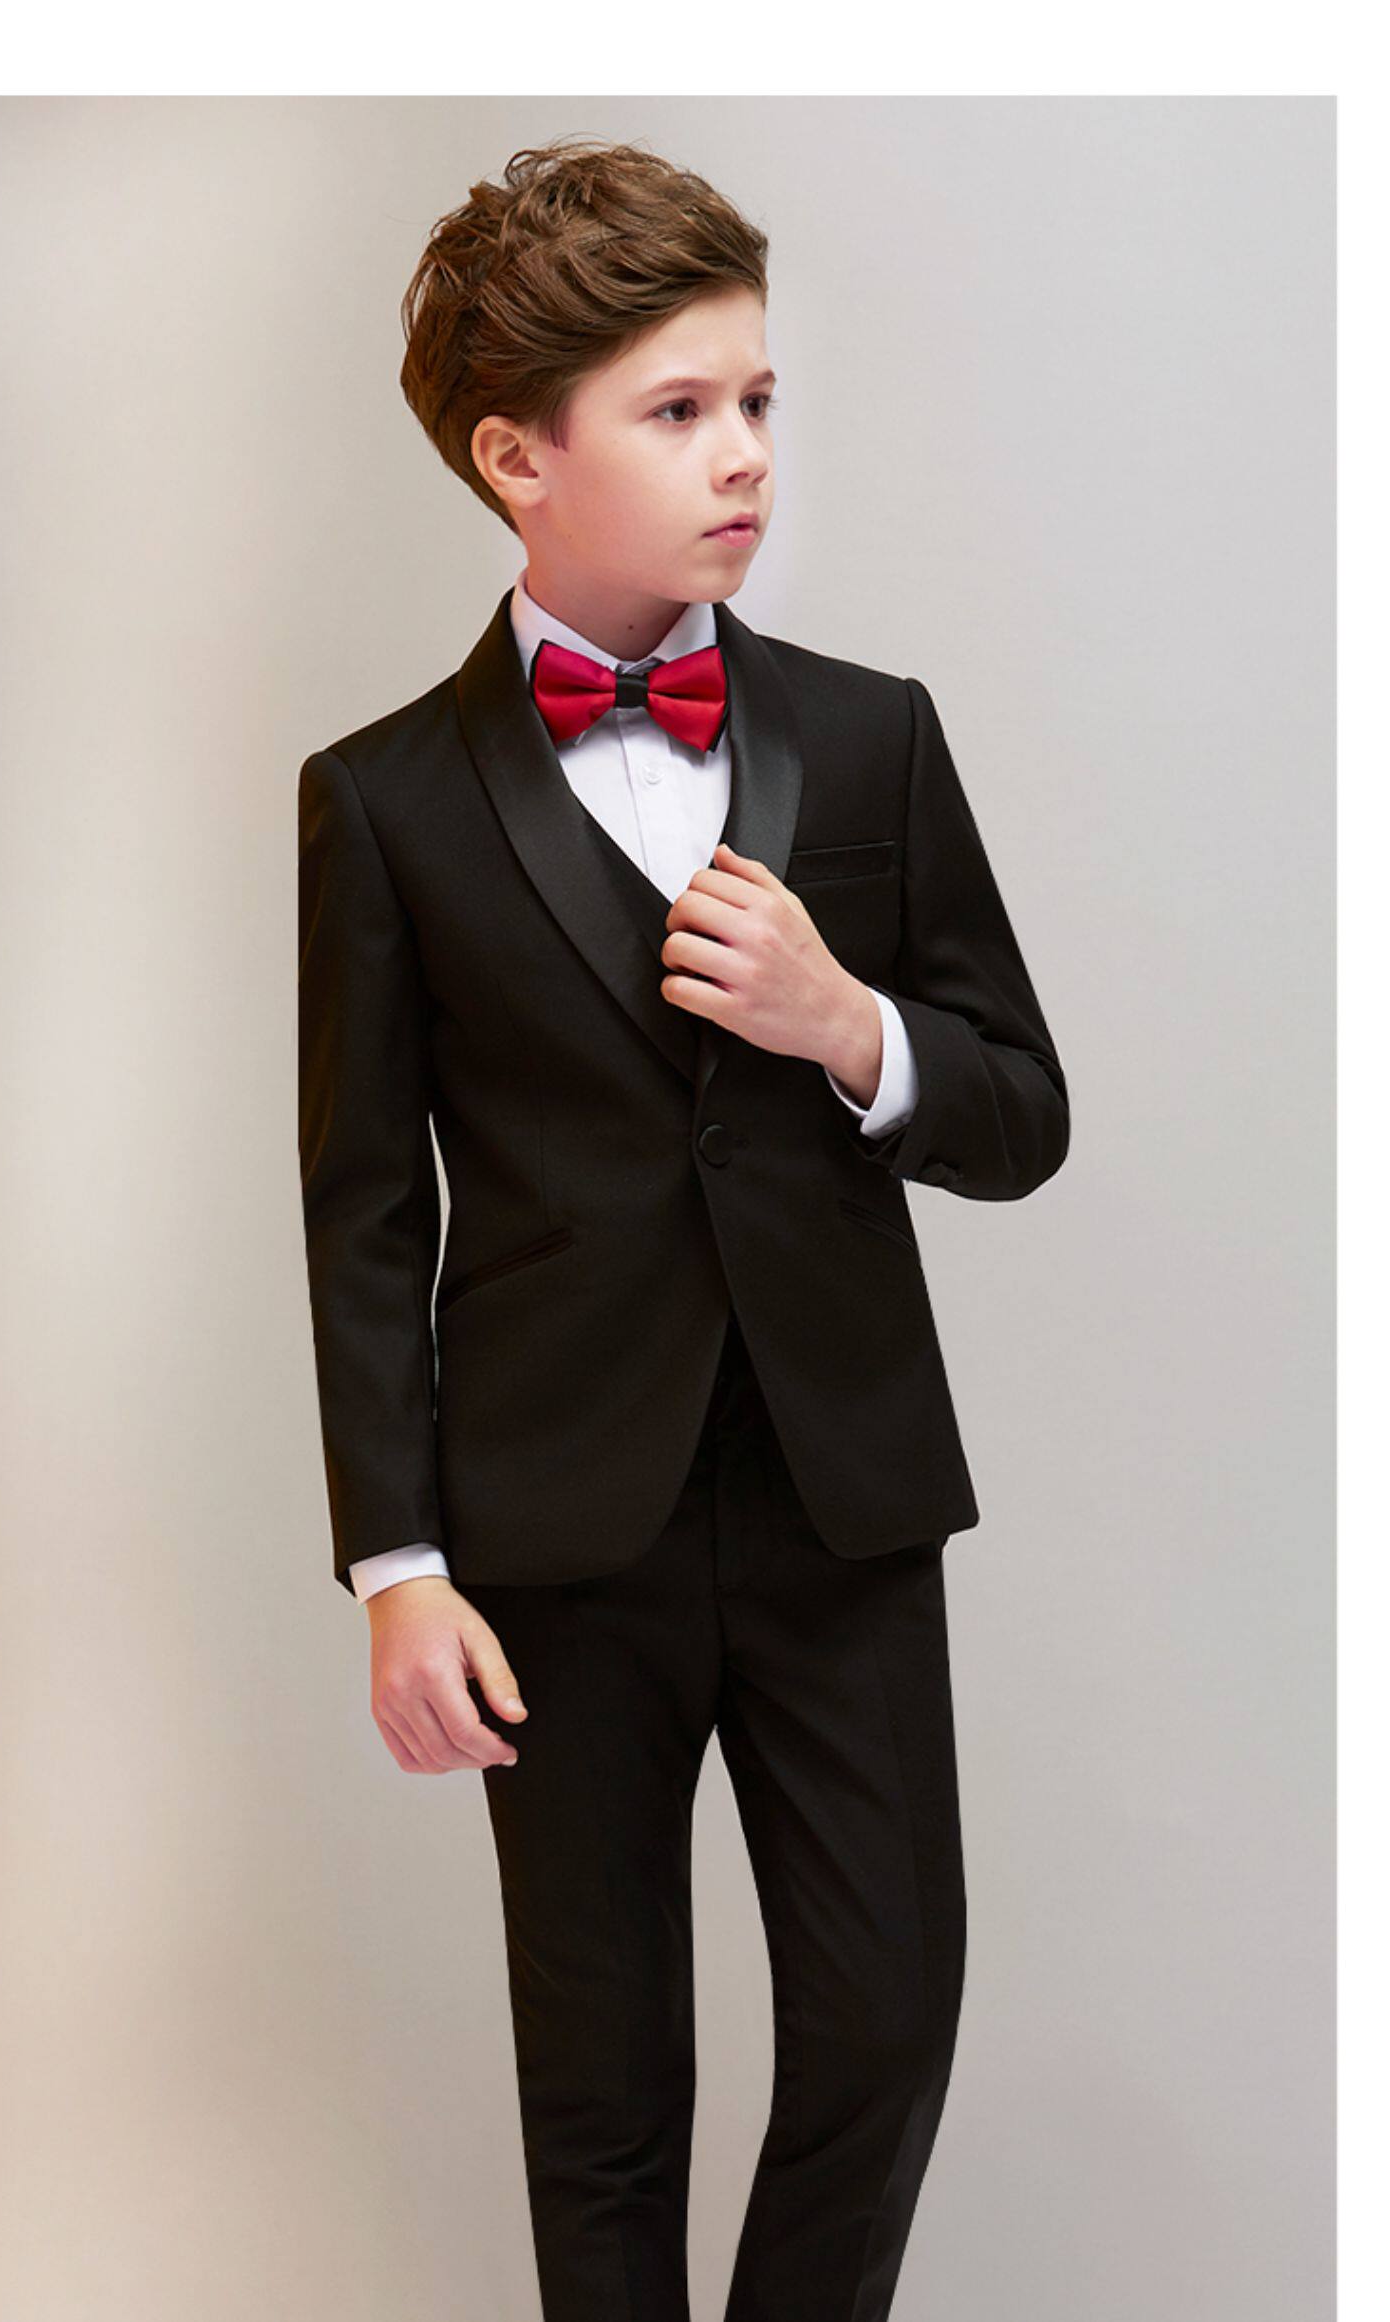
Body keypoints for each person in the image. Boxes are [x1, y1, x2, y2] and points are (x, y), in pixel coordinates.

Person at [297, 135, 1069, 2322]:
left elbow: (1021, 1114)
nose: (745, 454)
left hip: (843, 1503)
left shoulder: (870, 737)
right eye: (678, 410)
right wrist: (396, 1566)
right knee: (604, 2088)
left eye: (757, 400)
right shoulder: (383, 801)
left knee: (883, 2032)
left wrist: (852, 1027)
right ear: (516, 456)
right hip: (557, 1539)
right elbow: (363, 1210)